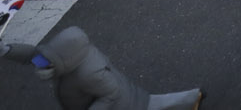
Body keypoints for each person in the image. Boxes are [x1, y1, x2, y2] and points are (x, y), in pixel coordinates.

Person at [1, 27, 201, 109]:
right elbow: (33, 56)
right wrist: (6, 50)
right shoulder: (58, 58)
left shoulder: (89, 73)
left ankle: (192, 98)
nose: (42, 66)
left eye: (46, 65)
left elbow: (111, 96)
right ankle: (192, 98)